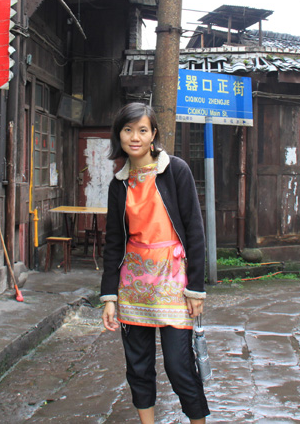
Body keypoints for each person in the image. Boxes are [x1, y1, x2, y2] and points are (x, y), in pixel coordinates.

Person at [101, 102, 210, 424]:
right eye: (128, 130)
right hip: (133, 285)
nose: (135, 137)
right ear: (119, 135)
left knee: (179, 366)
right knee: (138, 366)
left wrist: (196, 289)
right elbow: (114, 243)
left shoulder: (176, 170)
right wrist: (109, 296)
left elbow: (194, 231)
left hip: (173, 281)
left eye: (142, 130)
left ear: (153, 135)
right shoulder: (119, 184)